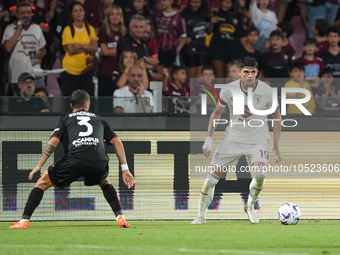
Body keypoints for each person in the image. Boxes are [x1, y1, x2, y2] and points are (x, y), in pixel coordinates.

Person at [9, 89, 135, 229]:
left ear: (71, 106)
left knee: (41, 183)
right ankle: (120, 217)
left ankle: (24, 221)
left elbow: (54, 141)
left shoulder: (65, 119)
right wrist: (125, 169)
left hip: (74, 159)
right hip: (98, 162)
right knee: (104, 182)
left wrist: (39, 165)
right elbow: (118, 143)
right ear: (87, 105)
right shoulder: (100, 120)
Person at [191, 56, 282, 224]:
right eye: (245, 72)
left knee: (260, 175)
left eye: (252, 72)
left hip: (258, 140)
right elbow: (217, 113)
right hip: (232, 140)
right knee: (211, 179)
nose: (249, 76)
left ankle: (250, 205)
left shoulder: (267, 91)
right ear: (239, 73)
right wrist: (208, 138)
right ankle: (200, 216)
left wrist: (276, 144)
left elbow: (276, 116)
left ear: (257, 73)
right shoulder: (228, 89)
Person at [2, 2, 46, 96]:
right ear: (17, 14)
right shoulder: (10, 29)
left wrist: (41, 53)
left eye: (28, 12)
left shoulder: (37, 28)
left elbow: (43, 49)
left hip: (36, 76)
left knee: (40, 104)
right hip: (18, 75)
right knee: (20, 106)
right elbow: (8, 48)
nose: (26, 15)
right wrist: (18, 29)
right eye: (22, 13)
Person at [61, 2, 98, 97]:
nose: (78, 13)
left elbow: (94, 47)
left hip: (86, 70)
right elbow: (71, 50)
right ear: (71, 14)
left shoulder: (90, 29)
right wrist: (87, 48)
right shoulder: (68, 30)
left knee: (87, 101)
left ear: (84, 12)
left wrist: (80, 46)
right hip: (71, 71)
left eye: (80, 10)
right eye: (75, 11)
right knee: (71, 102)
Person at [207, 0, 244, 78]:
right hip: (217, 49)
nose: (224, 4)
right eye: (223, 2)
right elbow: (208, 31)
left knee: (230, 78)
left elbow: (241, 35)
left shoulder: (238, 16)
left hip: (233, 51)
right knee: (219, 77)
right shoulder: (216, 13)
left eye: (228, 3)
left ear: (233, 4)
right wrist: (212, 22)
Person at [98, 5, 126, 102]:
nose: (115, 17)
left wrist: (112, 51)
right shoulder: (103, 32)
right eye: (112, 14)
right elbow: (105, 52)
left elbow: (127, 51)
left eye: (117, 14)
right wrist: (120, 50)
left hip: (121, 73)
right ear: (108, 17)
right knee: (105, 103)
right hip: (105, 73)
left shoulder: (125, 33)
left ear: (121, 17)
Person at [154, 0, 187, 84]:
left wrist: (176, 50)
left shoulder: (179, 18)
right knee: (159, 77)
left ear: (171, 1)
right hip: (158, 50)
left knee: (168, 78)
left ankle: (167, 95)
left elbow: (183, 37)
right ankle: (159, 96)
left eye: (164, 0)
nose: (162, 2)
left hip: (170, 50)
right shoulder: (157, 15)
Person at [180, 0, 210, 82]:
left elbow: (209, 30)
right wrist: (184, 37)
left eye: (197, 3)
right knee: (191, 78)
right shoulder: (184, 14)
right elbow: (179, 30)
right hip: (189, 48)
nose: (194, 5)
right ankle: (189, 94)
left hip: (202, 47)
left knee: (199, 77)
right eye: (192, 2)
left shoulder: (205, 14)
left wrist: (212, 23)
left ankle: (196, 94)